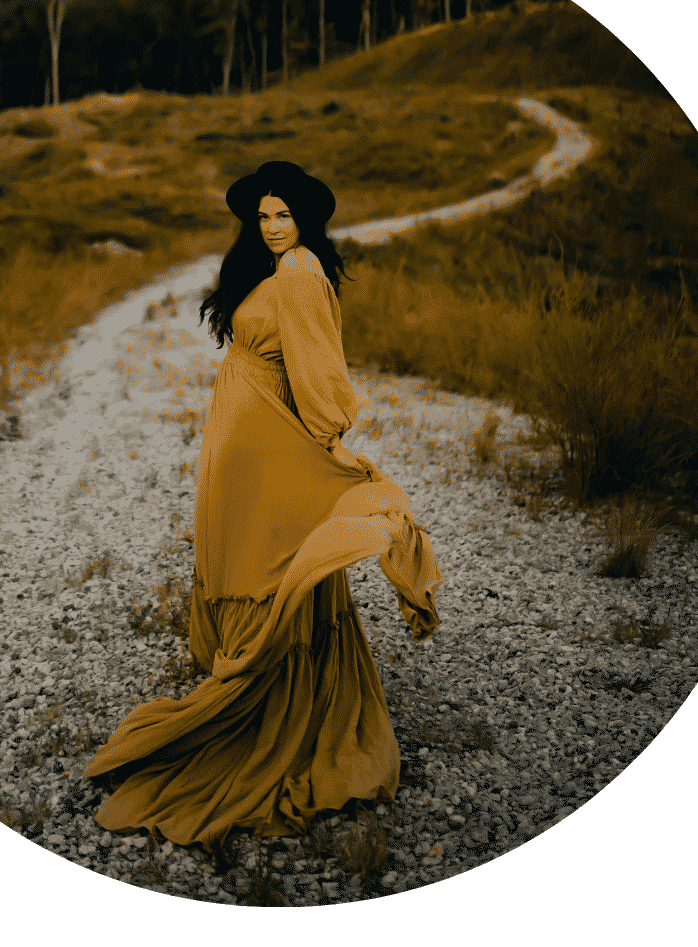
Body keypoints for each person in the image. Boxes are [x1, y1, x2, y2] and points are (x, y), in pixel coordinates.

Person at [81, 161, 440, 849]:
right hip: (239, 439)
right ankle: (252, 677)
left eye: (284, 215)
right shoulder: (275, 268)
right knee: (240, 552)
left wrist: (325, 444)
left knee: (263, 558)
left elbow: (321, 370)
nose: (273, 228)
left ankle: (267, 697)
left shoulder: (302, 271)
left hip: (268, 440)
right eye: (264, 217)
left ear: (306, 218)